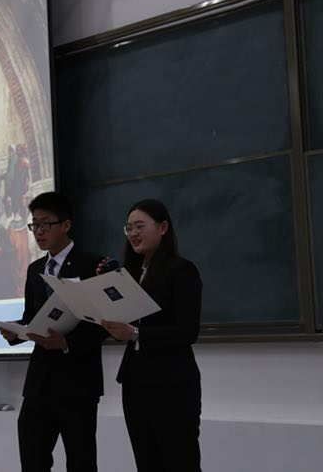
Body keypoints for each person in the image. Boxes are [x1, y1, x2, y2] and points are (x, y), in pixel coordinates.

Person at [0, 191, 105, 472]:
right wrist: (16, 331)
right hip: (40, 384)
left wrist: (67, 342)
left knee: (81, 462)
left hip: (78, 383)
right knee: (32, 458)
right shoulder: (35, 269)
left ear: (66, 225)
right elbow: (32, 318)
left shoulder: (93, 265)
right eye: (34, 225)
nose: (38, 232)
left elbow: (104, 324)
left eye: (45, 224)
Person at [100, 199, 203, 472]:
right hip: (135, 382)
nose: (133, 233)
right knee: (146, 462)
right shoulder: (131, 275)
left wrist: (135, 333)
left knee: (179, 461)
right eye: (128, 228)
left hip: (172, 384)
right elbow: (131, 324)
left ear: (163, 227)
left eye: (139, 226)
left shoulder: (181, 270)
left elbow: (188, 330)